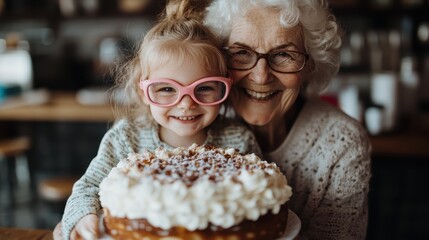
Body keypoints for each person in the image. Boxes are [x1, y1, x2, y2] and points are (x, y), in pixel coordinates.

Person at [53, 0, 261, 239]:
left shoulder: (239, 142)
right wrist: (82, 218)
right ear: (144, 93)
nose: (186, 104)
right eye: (166, 89)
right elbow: (88, 187)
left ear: (225, 87)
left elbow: (255, 199)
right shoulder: (125, 139)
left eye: (204, 88)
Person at [202, 0, 372, 239]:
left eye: (283, 54)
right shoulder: (198, 122)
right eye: (241, 53)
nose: (261, 77)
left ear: (310, 64)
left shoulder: (341, 141)